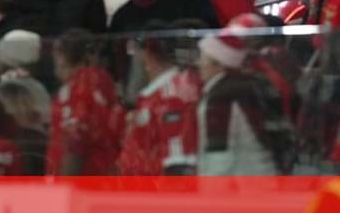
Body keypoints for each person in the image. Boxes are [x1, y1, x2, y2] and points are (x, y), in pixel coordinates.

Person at [196, 18, 292, 175]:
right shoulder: (245, 86)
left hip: (244, 186)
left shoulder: (221, 95)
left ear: (218, 64)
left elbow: (219, 156)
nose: (198, 64)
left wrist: (210, 194)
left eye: (203, 59)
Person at [117, 25, 202, 175]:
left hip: (156, 193)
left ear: (145, 53)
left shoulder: (173, 96)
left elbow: (180, 163)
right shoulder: (157, 95)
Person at [47, 30, 122, 175]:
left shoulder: (81, 85)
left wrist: (66, 187)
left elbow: (76, 139)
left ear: (61, 57)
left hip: (83, 184)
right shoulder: (98, 82)